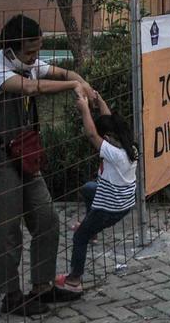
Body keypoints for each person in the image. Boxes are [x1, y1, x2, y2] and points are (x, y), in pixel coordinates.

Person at [0, 14, 94, 316]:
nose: (35, 58)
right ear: (11, 50)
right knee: (8, 228)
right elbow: (30, 88)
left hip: (26, 155)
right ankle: (10, 295)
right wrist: (72, 85)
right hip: (2, 158)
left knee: (47, 219)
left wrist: (77, 77)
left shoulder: (28, 63)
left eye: (38, 51)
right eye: (30, 52)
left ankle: (42, 286)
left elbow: (57, 71)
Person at [55, 92, 136, 295]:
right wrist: (100, 102)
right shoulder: (130, 148)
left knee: (79, 237)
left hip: (108, 209)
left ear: (107, 138)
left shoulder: (114, 154)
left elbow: (92, 134)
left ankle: (74, 280)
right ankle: (92, 231)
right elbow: (109, 121)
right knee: (89, 189)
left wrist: (84, 109)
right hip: (123, 203)